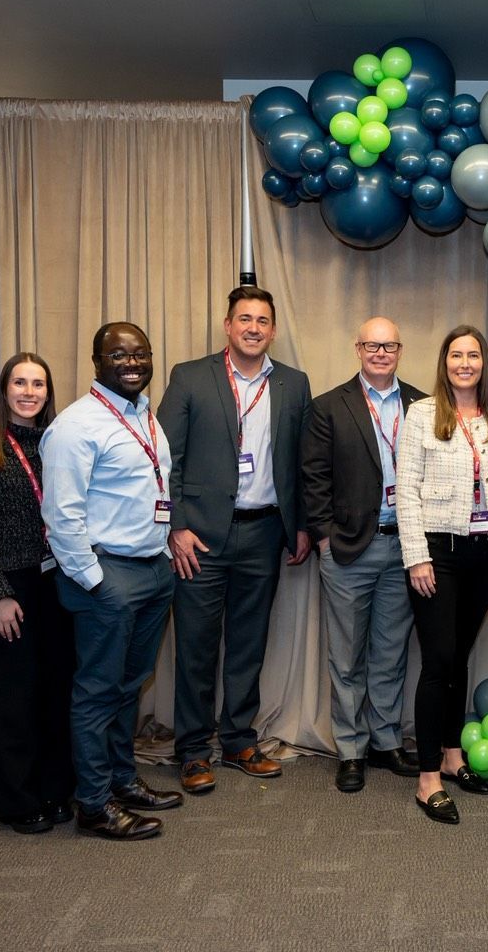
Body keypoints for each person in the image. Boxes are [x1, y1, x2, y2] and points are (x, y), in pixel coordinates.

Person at [159, 286, 312, 795]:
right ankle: (193, 750)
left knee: (249, 645)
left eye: (262, 320)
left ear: (273, 329)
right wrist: (176, 525)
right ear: (227, 325)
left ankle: (240, 739)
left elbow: (300, 463)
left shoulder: (293, 384)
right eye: (244, 318)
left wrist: (302, 525)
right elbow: (165, 461)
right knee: (197, 648)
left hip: (265, 531)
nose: (253, 327)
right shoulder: (190, 376)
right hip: (199, 537)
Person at [41, 322, 182, 841]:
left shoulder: (145, 416)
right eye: (118, 355)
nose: (132, 362)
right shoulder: (77, 426)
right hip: (108, 576)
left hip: (152, 569)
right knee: (98, 693)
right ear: (97, 361)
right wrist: (96, 580)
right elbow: (61, 516)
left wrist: (163, 555)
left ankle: (123, 781)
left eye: (141, 353)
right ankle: (95, 805)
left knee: (127, 688)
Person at [395, 325, 488, 825]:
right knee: (438, 660)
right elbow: (406, 489)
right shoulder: (422, 414)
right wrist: (416, 557)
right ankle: (427, 778)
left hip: (486, 553)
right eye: (456, 355)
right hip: (438, 551)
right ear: (444, 362)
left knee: (460, 656)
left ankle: (453, 755)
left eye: (473, 355)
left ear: (483, 363)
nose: (465, 363)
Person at [304, 317, 426, 793]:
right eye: (372, 344)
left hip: (405, 547)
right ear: (357, 348)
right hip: (349, 549)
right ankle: (351, 748)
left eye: (389, 345)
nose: (380, 352)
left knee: (391, 653)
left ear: (400, 349)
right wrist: (322, 537)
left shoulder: (420, 404)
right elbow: (313, 477)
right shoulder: (329, 407)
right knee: (347, 657)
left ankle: (385, 740)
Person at [0, 352, 75, 834]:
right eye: (20, 383)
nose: (30, 392)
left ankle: (54, 790)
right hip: (12, 588)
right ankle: (17, 800)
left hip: (58, 583)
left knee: (56, 690)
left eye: (39, 384)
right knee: (14, 697)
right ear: (4, 389)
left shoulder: (58, 446)